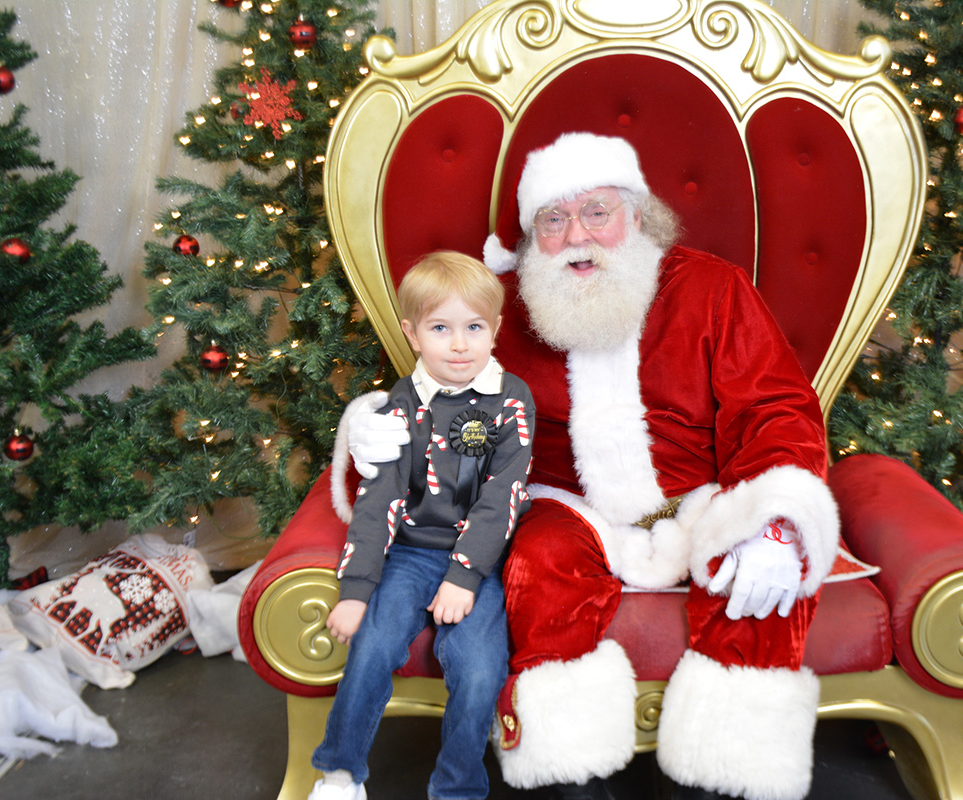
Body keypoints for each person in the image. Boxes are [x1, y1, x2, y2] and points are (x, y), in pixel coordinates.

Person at [340, 133, 839, 800]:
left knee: (755, 571)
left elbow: (774, 408)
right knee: (540, 562)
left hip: (696, 497)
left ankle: (723, 778)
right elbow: (440, 403)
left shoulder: (711, 288)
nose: (577, 235)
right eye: (554, 220)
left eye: (596, 212)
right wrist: (374, 432)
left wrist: (776, 518)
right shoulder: (502, 308)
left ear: (637, 216)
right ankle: (571, 776)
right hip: (563, 503)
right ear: (531, 236)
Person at [311, 251, 534, 800]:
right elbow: (378, 497)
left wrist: (464, 576)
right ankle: (339, 773)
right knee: (373, 644)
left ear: (495, 328)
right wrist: (356, 589)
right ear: (412, 334)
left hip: (480, 560)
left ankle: (457, 788)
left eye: (473, 328)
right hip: (410, 553)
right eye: (440, 328)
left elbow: (502, 497)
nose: (459, 345)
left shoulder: (511, 400)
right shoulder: (400, 404)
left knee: (479, 671)